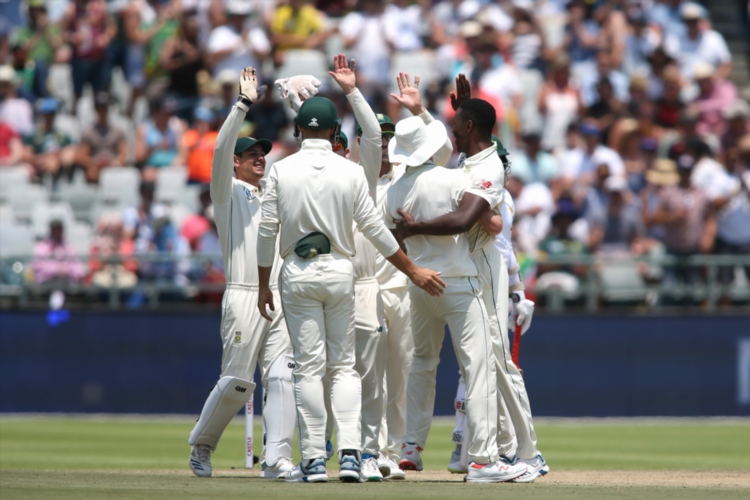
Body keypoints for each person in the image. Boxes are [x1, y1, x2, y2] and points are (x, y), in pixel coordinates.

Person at [256, 93, 445, 483]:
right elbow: (376, 230)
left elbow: (266, 232)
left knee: (309, 369)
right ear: (333, 132)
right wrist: (412, 269)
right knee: (345, 368)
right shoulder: (351, 173)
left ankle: (311, 460)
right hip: (341, 273)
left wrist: (263, 286)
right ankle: (349, 455)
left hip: (297, 272)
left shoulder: (280, 169)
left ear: (297, 131)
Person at [392, 74, 546, 483]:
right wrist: (427, 110)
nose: (452, 131)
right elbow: (438, 148)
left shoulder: (489, 165)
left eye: (457, 124)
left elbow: (466, 219)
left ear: (471, 128)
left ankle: (526, 452)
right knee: (483, 364)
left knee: (495, 363)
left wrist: (413, 228)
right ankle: (501, 452)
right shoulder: (464, 162)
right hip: (464, 273)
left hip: (484, 275)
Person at [187, 67, 296, 480]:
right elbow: (219, 152)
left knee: (283, 377)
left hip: (279, 295)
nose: (259, 158)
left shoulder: (275, 192)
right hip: (244, 294)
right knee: (236, 382)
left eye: (262, 153)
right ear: (236, 163)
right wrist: (243, 104)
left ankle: (278, 458)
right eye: (251, 154)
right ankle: (202, 445)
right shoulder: (227, 192)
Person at [446, 138, 539, 477]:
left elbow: (505, 247)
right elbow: (495, 235)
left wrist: (517, 289)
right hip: (472, 277)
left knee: (484, 362)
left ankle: (477, 447)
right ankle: (481, 448)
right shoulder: (470, 187)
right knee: (482, 362)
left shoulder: (504, 196)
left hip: (494, 280)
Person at [75, 92, 128, 183]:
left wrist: (113, 163)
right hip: (95, 167)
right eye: (100, 108)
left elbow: (123, 154)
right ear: (95, 110)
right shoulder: (88, 132)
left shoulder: (118, 132)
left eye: (105, 108)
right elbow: (82, 156)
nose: (102, 111)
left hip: (114, 167)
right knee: (92, 173)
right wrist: (96, 162)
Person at [23, 98, 75, 184]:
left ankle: (63, 179)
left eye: (52, 114)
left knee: (68, 154)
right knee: (50, 162)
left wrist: (58, 155)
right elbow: (26, 155)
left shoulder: (62, 135)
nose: (49, 118)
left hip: (60, 160)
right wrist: (42, 157)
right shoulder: (33, 136)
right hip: (43, 162)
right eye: (46, 115)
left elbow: (71, 151)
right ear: (41, 116)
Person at [32, 219, 85, 286]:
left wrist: (66, 270)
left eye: (59, 229)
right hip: (47, 284)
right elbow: (38, 267)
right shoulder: (42, 247)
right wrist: (57, 269)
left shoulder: (69, 247)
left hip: (67, 283)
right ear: (50, 230)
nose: (57, 232)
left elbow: (78, 270)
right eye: (55, 229)